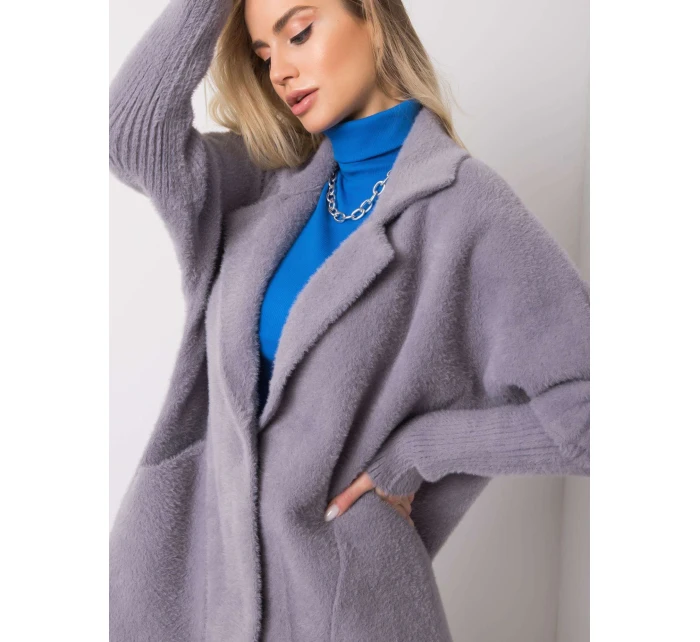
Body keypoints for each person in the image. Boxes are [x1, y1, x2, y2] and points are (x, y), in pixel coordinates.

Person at [109, 0, 590, 640]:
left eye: (299, 33)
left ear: (372, 17)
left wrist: (421, 450)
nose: (280, 71)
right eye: (263, 54)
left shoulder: (466, 209)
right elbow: (129, 134)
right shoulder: (263, 180)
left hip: (347, 613)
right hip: (198, 598)